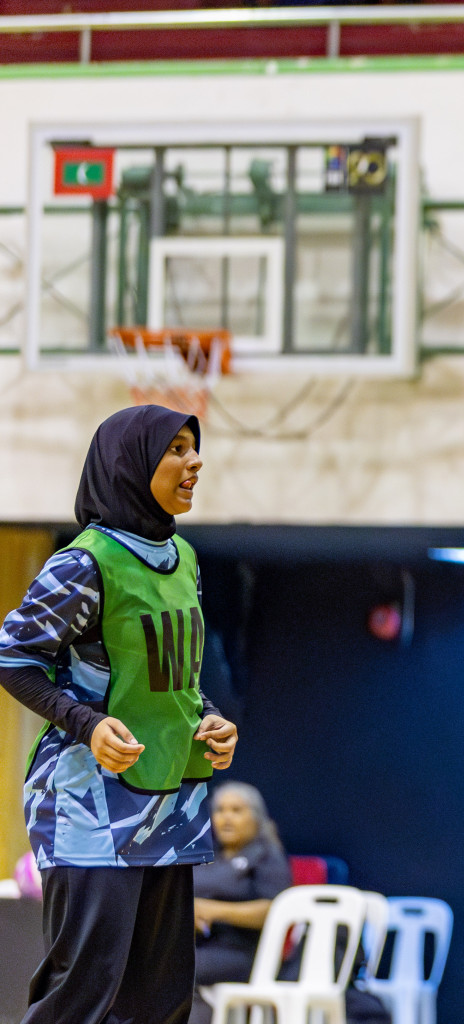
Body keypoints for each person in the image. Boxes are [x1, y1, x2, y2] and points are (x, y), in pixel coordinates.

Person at [0, 405, 238, 1024]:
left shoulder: (182, 558)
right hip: (89, 802)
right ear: (131, 466)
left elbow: (174, 678)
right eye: (177, 450)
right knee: (82, 995)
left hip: (172, 799)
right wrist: (86, 723)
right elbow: (14, 657)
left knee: (160, 1004)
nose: (195, 462)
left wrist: (208, 718)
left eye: (195, 447)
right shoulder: (83, 563)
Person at [190, 782, 292, 1024]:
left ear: (255, 817)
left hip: (244, 951)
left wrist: (211, 910)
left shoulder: (266, 856)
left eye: (236, 810)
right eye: (220, 810)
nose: (226, 818)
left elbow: (276, 910)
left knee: (181, 969)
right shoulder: (206, 856)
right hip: (200, 944)